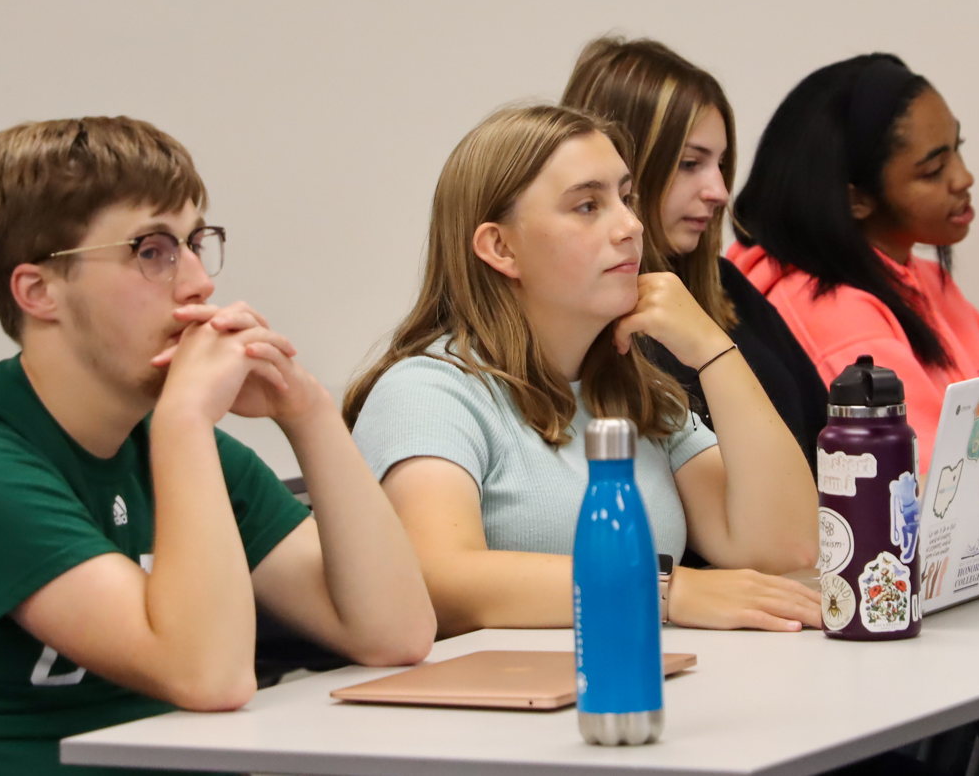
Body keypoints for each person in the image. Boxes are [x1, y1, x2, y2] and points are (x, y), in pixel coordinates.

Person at [0, 117, 435, 776]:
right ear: (39, 291)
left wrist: (310, 411)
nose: (198, 281)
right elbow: (211, 676)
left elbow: (395, 632)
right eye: (152, 249)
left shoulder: (161, 439)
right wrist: (185, 420)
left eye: (195, 242)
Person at [345, 105, 819, 638]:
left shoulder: (636, 392)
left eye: (627, 197)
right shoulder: (427, 391)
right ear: (501, 248)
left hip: (636, 681)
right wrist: (664, 590)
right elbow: (438, 579)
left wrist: (713, 351)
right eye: (588, 205)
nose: (631, 226)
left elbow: (785, 549)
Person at [731, 54, 979, 476]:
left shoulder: (927, 278)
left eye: (958, 149)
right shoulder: (828, 310)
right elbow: (939, 477)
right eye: (934, 169)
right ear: (856, 200)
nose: (963, 178)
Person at [560, 36, 828, 466]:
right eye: (690, 163)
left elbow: (829, 435)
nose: (719, 192)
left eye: (721, 164)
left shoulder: (728, 287)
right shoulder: (590, 331)